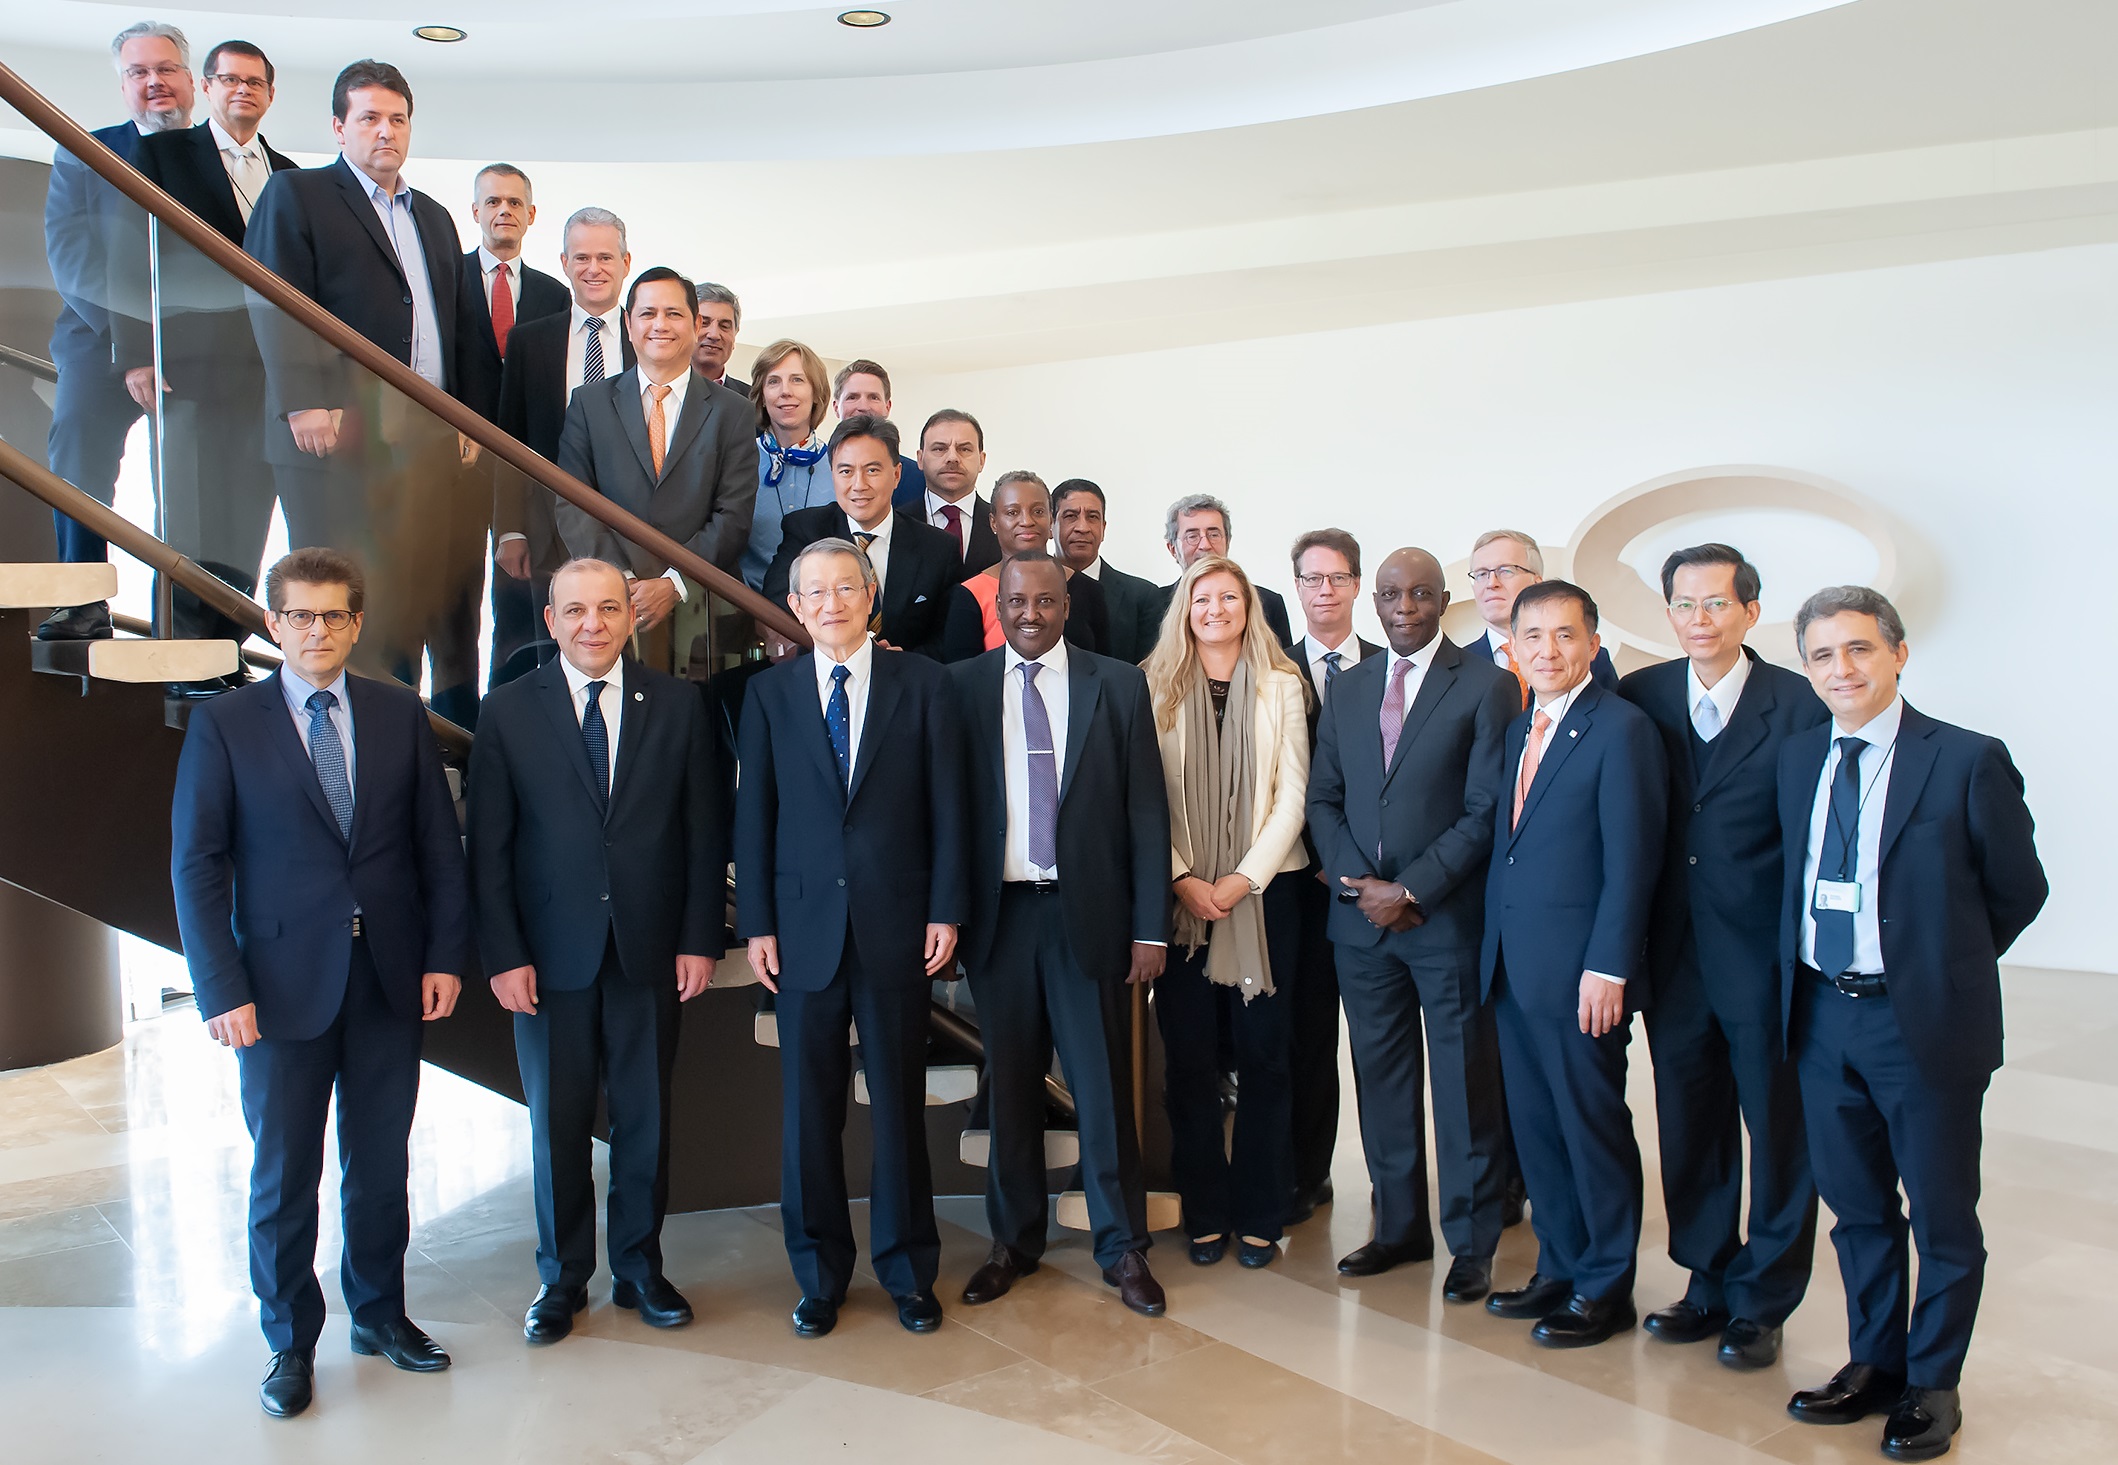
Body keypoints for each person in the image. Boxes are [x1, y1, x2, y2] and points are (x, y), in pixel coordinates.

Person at [169, 547, 472, 1419]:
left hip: (387, 980)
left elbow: (435, 850)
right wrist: (220, 988)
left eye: (334, 614)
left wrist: (444, 957)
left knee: (379, 1167)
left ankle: (379, 1315)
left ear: (357, 623)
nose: (317, 630)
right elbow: (198, 864)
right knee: (284, 1175)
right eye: (299, 615)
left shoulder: (397, 712)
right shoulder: (226, 724)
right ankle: (288, 1342)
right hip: (275, 989)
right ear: (273, 622)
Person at [1778, 587, 2045, 1463]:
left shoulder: (1966, 759)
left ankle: (1933, 1382)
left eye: (1858, 649)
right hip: (1822, 1015)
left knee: (1940, 1214)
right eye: (1822, 655)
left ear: (1897, 654)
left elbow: (2017, 888)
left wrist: (1939, 964)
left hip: (1920, 1022)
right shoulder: (1796, 759)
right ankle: (1876, 1362)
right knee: (1856, 1209)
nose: (1841, 669)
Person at [467, 558, 726, 1346]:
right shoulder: (508, 711)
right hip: (547, 960)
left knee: (645, 1115)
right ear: (550, 620)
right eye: (576, 609)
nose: (593, 623)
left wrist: (698, 938)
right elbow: (491, 849)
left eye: (609, 607)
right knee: (558, 1121)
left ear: (630, 616)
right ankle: (562, 1277)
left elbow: (702, 832)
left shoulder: (680, 706)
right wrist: (503, 953)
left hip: (651, 950)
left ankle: (640, 1267)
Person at [734, 538, 969, 1339]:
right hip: (800, 933)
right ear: (795, 606)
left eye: (845, 587)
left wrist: (946, 907)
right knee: (810, 1113)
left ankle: (908, 1271)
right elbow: (753, 819)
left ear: (871, 594)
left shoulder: (924, 684)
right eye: (814, 591)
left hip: (899, 923)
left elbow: (950, 806)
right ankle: (820, 1275)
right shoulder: (767, 696)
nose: (830, 603)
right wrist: (757, 921)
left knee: (899, 1106)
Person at [1617, 544, 1827, 1370]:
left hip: (1766, 959)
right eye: (1683, 604)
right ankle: (1708, 1275)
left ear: (1750, 610)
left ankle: (1764, 1297)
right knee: (1690, 1119)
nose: (1697, 619)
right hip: (1674, 956)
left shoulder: (1801, 705)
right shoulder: (1642, 697)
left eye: (1714, 604)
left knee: (1778, 1130)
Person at [950, 552, 1171, 1318]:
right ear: (1000, 604)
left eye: (1045, 600)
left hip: (1093, 918)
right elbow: (947, 814)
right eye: (1017, 601)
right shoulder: (962, 687)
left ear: (1066, 603)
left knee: (1105, 1088)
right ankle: (1014, 1240)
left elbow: (1146, 813)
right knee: (1008, 1087)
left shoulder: (1118, 684)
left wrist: (1151, 928)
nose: (1031, 613)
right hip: (1000, 919)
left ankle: (1122, 1246)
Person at [1305, 547, 1517, 1298]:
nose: (1403, 607)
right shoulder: (1350, 687)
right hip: (1362, 926)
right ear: (1374, 599)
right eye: (1390, 594)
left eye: (1419, 593)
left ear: (1443, 598)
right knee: (1381, 1080)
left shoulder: (1488, 687)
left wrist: (1412, 887)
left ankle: (1471, 1241)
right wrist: (1362, 884)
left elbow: (1488, 809)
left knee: (1463, 1085)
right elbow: (1322, 799)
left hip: (1443, 920)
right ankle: (1398, 1228)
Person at [1479, 580, 1665, 1347]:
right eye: (1534, 636)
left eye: (1565, 635)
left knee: (1591, 1126)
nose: (1548, 650)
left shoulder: (1620, 729)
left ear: (1592, 643)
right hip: (1514, 969)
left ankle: (1605, 1283)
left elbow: (1634, 860)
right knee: (1538, 1128)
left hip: (1582, 974)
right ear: (1514, 646)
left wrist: (1610, 966)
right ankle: (1559, 1263)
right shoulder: (1524, 724)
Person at [244, 59, 469, 684]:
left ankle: (397, 723)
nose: (386, 132)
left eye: (398, 120)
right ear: (339, 127)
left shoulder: (434, 216)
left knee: (404, 601)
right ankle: (328, 733)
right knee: (331, 592)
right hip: (331, 435)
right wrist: (302, 400)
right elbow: (273, 298)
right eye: (369, 118)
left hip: (419, 440)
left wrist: (463, 419)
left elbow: (451, 327)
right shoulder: (298, 195)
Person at [1144, 555, 1311, 1269]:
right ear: (1184, 606)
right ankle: (1205, 1212)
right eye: (1201, 597)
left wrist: (1241, 880)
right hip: (1182, 904)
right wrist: (1184, 878)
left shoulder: (1283, 685)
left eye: (1228, 597)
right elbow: (1146, 797)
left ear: (1249, 606)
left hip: (1267, 900)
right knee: (1188, 1065)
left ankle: (1260, 1213)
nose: (1215, 608)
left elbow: (1293, 796)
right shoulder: (1153, 686)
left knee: (1267, 1061)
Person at [120, 39, 294, 671]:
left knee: (248, 516)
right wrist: (139, 352)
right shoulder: (163, 152)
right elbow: (129, 252)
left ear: (270, 95)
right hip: (185, 371)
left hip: (266, 380)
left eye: (255, 82)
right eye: (230, 80)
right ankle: (179, 655)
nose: (243, 90)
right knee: (190, 517)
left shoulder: (291, 175)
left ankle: (222, 650)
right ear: (208, 87)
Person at [39, 21, 194, 642]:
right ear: (123, 84)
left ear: (190, 79)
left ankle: (183, 621)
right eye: (138, 73)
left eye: (165, 69)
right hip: (96, 339)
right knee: (76, 452)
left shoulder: (217, 160)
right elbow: (71, 254)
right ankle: (81, 600)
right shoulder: (84, 148)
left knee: (190, 489)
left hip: (195, 352)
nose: (154, 82)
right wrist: (133, 345)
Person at [416, 163, 568, 728]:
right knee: (453, 607)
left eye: (514, 202)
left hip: (524, 480)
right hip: (452, 467)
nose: (503, 211)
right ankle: (454, 730)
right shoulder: (443, 279)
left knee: (519, 611)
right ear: (474, 212)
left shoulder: (556, 295)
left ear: (531, 216)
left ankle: (511, 730)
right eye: (492, 202)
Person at [552, 266, 758, 662]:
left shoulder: (734, 411)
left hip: (702, 618)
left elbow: (733, 515)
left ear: (696, 324)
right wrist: (622, 583)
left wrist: (674, 582)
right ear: (628, 325)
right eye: (647, 314)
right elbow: (573, 502)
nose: (660, 324)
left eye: (673, 313)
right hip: (609, 613)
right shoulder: (589, 403)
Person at [492, 207, 634, 684]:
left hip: (633, 528)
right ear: (564, 262)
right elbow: (508, 438)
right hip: (545, 527)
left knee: (627, 657)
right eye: (581, 258)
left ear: (625, 262)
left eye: (605, 257)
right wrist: (509, 529)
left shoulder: (650, 337)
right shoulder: (530, 342)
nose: (593, 269)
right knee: (549, 653)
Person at [1283, 528, 1380, 1217]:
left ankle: (1393, 1183)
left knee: (1381, 1042)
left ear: (1356, 586)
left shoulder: (1394, 664)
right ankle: (1306, 1172)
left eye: (1337, 578)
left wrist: (1357, 868)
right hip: (1301, 888)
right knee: (1307, 1036)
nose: (1325, 590)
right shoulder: (1273, 668)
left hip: (1379, 888)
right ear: (1297, 587)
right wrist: (1322, 864)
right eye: (1312, 579)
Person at [761, 414, 975, 661]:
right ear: (832, 475)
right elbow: (778, 605)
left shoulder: (938, 547)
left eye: (872, 470)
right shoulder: (805, 530)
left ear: (896, 475)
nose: (859, 484)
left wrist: (903, 660)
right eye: (846, 471)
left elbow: (949, 636)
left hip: (906, 685)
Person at [957, 471, 1110, 655]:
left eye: (1038, 511)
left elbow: (1103, 668)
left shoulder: (1088, 590)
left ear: (1051, 519)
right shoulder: (970, 595)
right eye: (1012, 512)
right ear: (993, 522)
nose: (1027, 521)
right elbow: (963, 675)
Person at [1460, 529, 1615, 706]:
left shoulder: (1587, 657)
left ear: (1537, 582)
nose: (1491, 583)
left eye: (1505, 571)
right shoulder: (1458, 667)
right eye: (1481, 574)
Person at [739, 339, 836, 591]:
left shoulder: (839, 466)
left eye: (797, 380)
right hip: (748, 610)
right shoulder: (737, 461)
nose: (785, 391)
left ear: (817, 394)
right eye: (773, 381)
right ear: (761, 396)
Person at [1155, 495, 1294, 648]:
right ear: (1172, 548)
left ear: (1227, 542)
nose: (1205, 545)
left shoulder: (1267, 603)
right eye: (1192, 536)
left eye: (1214, 535)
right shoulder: (1154, 605)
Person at [1053, 478, 1165, 664]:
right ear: (1051, 524)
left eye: (1092, 517)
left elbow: (1150, 675)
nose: (1082, 527)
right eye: (1071, 516)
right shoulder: (1025, 591)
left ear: (1103, 528)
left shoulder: (1142, 597)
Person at [905, 409, 1001, 574]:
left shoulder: (1003, 525)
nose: (952, 458)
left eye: (964, 449)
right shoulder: (896, 525)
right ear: (920, 459)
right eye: (939, 449)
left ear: (981, 460)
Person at [832, 358, 924, 499]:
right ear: (836, 407)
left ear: (887, 407)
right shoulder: (816, 471)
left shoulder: (917, 479)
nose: (863, 406)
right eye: (852, 397)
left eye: (873, 397)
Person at [691, 282, 744, 395]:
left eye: (724, 326)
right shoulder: (657, 392)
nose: (714, 335)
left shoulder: (753, 401)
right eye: (704, 323)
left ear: (735, 334)